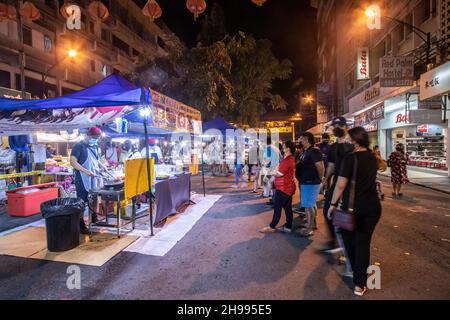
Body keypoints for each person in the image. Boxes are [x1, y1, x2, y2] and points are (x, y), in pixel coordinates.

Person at [326, 127, 382, 296]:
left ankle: (356, 272)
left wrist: (332, 204)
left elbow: (341, 185)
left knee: (350, 243)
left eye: (350, 139)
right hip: (373, 208)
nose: (348, 142)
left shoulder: (350, 159)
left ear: (356, 141)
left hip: (353, 209)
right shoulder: (373, 158)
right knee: (363, 244)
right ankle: (360, 284)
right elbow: (383, 167)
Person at [321, 117, 354, 251]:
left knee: (345, 213)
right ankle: (336, 240)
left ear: (346, 127)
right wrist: (325, 181)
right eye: (335, 125)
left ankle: (346, 245)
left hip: (351, 185)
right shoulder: (333, 147)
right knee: (327, 210)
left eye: (340, 125)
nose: (337, 127)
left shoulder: (352, 145)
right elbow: (331, 166)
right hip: (337, 184)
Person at [70, 126, 109, 234]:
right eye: (93, 137)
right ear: (87, 135)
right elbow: (72, 162)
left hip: (94, 176)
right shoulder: (79, 146)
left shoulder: (95, 146)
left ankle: (94, 217)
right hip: (82, 178)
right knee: (82, 201)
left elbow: (97, 160)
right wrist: (86, 171)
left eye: (97, 138)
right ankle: (81, 224)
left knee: (95, 198)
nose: (95, 139)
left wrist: (103, 166)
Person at [259, 141, 296, 233]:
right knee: (287, 208)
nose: (282, 148)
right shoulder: (289, 158)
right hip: (287, 187)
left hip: (284, 188)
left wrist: (270, 172)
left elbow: (279, 174)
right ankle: (288, 226)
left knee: (277, 207)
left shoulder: (288, 160)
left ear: (288, 148)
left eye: (284, 146)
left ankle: (272, 226)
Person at [297, 132, 325, 237]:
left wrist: (319, 178)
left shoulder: (314, 151)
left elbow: (321, 167)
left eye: (302, 139)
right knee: (311, 204)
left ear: (307, 139)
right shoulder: (306, 151)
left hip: (311, 182)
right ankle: (312, 224)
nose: (301, 141)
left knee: (308, 206)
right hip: (306, 182)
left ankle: (309, 228)